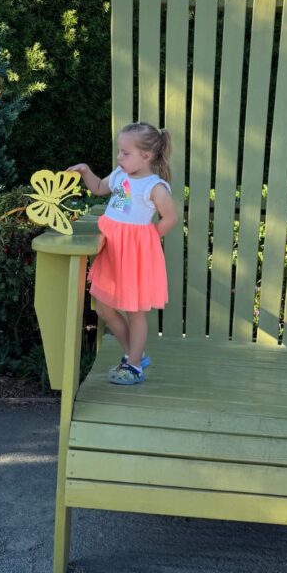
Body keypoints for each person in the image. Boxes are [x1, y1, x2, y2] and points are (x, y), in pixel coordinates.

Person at [67, 122, 177, 385]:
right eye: (119, 151)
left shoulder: (154, 187)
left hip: (135, 257)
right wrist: (85, 170)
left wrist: (147, 240)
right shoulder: (119, 176)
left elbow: (170, 219)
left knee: (135, 311)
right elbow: (97, 188)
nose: (119, 157)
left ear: (146, 156)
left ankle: (135, 365)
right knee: (105, 308)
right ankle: (134, 354)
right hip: (111, 251)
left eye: (125, 153)